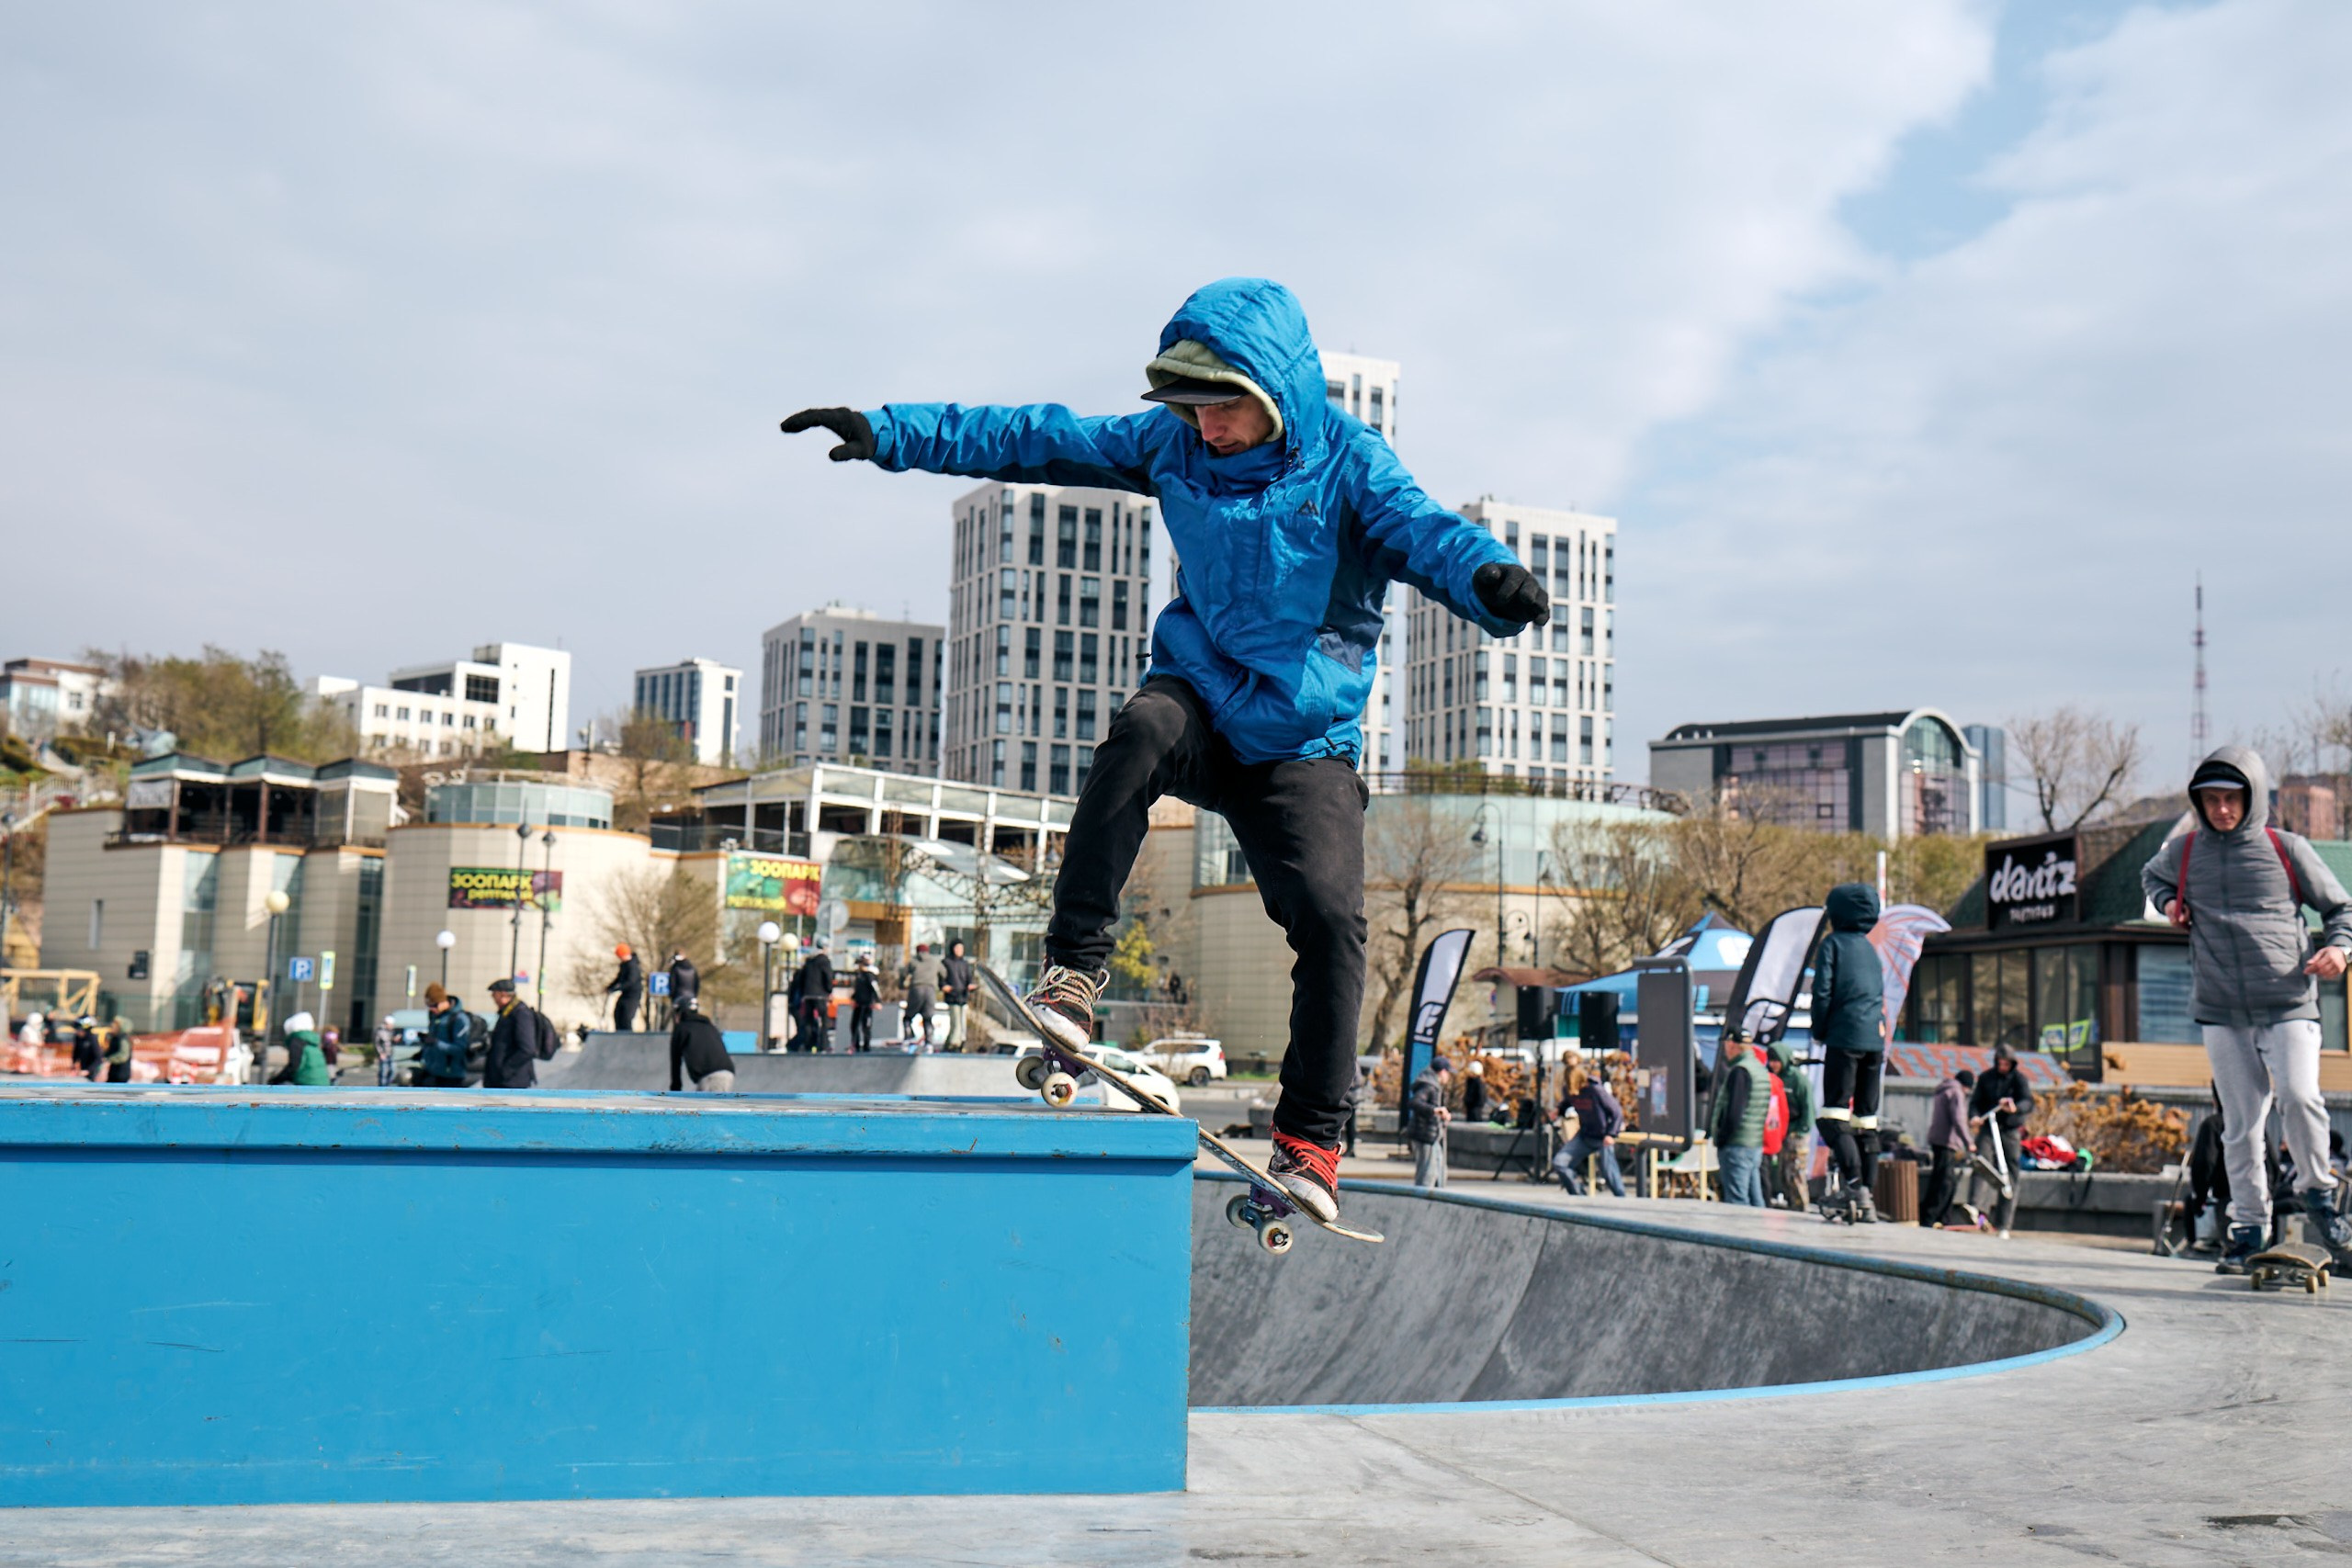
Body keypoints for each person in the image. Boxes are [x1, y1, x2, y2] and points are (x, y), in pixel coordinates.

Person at [783, 278, 1547, 1224]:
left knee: (1330, 919)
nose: (1205, 428)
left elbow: (1426, 532)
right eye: (1189, 408)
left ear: (1274, 395)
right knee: (1141, 728)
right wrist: (888, 432)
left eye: (1222, 408)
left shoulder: (1349, 464)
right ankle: (1074, 971)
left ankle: (1311, 1137)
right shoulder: (1169, 446)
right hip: (1200, 703)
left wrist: (1488, 577)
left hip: (1302, 744)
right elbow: (1034, 436)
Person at [2142, 745, 2352, 1274]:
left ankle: (2319, 1197)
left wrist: (2340, 949)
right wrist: (2170, 903)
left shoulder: (2287, 848)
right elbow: (2152, 877)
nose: (2221, 809)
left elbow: (2341, 907)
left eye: (2231, 799)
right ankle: (2248, 1228)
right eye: (2211, 800)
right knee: (2239, 1125)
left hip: (2288, 1001)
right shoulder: (2185, 852)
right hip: (2220, 1009)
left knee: (2300, 1097)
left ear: (2252, 797)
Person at [1812, 882, 1887, 1221]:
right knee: (1866, 1120)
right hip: (1874, 1041)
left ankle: (1855, 1187)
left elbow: (1822, 992)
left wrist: (1821, 1030)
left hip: (1845, 1037)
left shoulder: (1833, 944)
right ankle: (1867, 1192)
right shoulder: (1871, 950)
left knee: (1833, 1117)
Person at [1967, 1047, 2035, 1237]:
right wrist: (1974, 1116)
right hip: (1989, 1126)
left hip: (2010, 1129)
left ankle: (2003, 1224)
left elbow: (2028, 1102)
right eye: (2000, 1063)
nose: (2003, 1067)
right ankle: (1975, 1207)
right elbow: (1975, 1103)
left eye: (2006, 1064)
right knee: (1982, 1162)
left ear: (2012, 1064)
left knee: (2011, 1173)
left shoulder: (2019, 1080)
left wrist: (2015, 1108)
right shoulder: (1986, 1078)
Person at [1710, 1034, 1771, 1207]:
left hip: (1736, 1144)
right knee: (1755, 1198)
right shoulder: (1759, 1069)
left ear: (1732, 1045)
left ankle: (1740, 1226)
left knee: (1737, 1201)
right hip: (1754, 1143)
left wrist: (1721, 1138)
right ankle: (1761, 1225)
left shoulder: (1740, 1071)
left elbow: (1734, 1112)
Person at [1553, 1063, 1627, 1197]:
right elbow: (1567, 1102)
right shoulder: (1569, 1091)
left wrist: (1611, 1134)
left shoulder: (1595, 1090)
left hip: (1603, 1136)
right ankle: (1578, 1194)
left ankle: (1621, 1197)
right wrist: (1559, 1110)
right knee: (1560, 1163)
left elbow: (1616, 1112)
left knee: (1608, 1171)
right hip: (1585, 1135)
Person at [1921, 1068, 1975, 1228]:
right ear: (1966, 1086)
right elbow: (1958, 1120)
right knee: (1946, 1182)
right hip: (1947, 1142)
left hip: (1937, 1139)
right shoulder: (1956, 1093)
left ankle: (1942, 1217)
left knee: (1939, 1179)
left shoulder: (1944, 1089)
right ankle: (1932, 1217)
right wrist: (1969, 1142)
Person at [1766, 1041, 1815, 1212]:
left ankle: (1801, 1206)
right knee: (1782, 1173)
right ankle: (1790, 1203)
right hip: (1780, 1133)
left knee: (1796, 1173)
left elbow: (1808, 1109)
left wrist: (1801, 1131)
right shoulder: (1771, 1077)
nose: (1773, 1064)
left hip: (1797, 1135)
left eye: (1776, 1060)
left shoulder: (1798, 1080)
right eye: (1771, 1060)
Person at [482, 977, 555, 1089]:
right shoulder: (508, 1013)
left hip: (512, 1082)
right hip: (502, 1081)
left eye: (494, 994)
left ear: (503, 994)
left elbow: (527, 1049)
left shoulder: (521, 1014)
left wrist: (506, 1070)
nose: (493, 997)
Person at [1406, 1056, 1454, 1190]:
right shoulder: (1428, 1085)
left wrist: (1441, 1114)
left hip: (1432, 1135)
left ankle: (1437, 1194)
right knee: (1427, 1173)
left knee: (1439, 1169)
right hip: (1425, 1135)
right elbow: (1414, 1103)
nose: (1448, 1077)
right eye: (1448, 1073)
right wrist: (1434, 1110)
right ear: (1442, 1072)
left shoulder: (1433, 1085)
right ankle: (1423, 1196)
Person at [669, 1001, 736, 1093]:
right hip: (727, 1073)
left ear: (680, 1014)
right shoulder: (709, 1026)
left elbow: (675, 1061)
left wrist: (675, 1089)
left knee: (707, 1102)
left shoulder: (682, 1028)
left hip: (711, 1076)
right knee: (701, 1100)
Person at [418, 983, 472, 1087]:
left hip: (451, 1076)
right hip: (433, 1072)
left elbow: (460, 1049)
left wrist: (436, 1043)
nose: (432, 1009)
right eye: (429, 1006)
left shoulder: (459, 1019)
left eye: (434, 1005)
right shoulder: (436, 1017)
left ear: (443, 1002)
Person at [792, 944, 836, 1052]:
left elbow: (802, 979)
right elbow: (828, 977)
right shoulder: (824, 961)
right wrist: (829, 990)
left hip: (807, 995)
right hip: (820, 995)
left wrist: (803, 993)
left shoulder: (809, 962)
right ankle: (823, 1045)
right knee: (824, 1020)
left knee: (808, 1020)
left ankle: (808, 1043)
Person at [271, 1012, 332, 1087]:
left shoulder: (297, 1042)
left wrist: (276, 1079)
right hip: (323, 1084)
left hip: (307, 1084)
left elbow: (294, 1066)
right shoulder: (312, 1041)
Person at [902, 944, 944, 1045]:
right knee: (928, 1017)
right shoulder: (935, 961)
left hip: (916, 989)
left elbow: (903, 973)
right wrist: (941, 984)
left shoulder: (913, 961)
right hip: (930, 990)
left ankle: (908, 1036)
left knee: (908, 1017)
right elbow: (944, 973)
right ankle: (929, 1042)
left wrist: (902, 985)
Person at [941, 940, 976, 1051]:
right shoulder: (946, 962)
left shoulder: (965, 964)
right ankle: (954, 1044)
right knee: (956, 1022)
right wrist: (944, 986)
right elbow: (941, 977)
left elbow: (969, 978)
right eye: (957, 948)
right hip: (952, 995)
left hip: (963, 996)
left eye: (961, 948)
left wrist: (971, 985)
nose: (959, 950)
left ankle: (950, 1044)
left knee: (961, 1023)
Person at [607, 943, 645, 1031]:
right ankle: (619, 1033)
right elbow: (619, 978)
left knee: (626, 1018)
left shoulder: (633, 966)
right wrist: (611, 987)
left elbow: (630, 981)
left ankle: (628, 1035)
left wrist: (617, 988)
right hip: (625, 995)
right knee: (618, 1015)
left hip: (632, 996)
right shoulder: (624, 965)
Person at [849, 954, 880, 1053]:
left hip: (867, 1004)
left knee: (866, 1026)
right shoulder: (859, 976)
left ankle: (866, 1046)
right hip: (858, 1003)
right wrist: (853, 998)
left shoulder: (869, 975)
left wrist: (877, 1001)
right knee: (854, 1025)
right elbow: (858, 990)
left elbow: (875, 988)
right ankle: (856, 1045)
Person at [666, 950, 700, 1021]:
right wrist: (694, 996)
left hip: (678, 997)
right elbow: (697, 984)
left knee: (677, 1017)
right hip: (691, 997)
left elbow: (672, 984)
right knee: (692, 1016)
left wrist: (671, 996)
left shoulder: (675, 968)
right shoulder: (693, 969)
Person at [71, 1016, 104, 1081]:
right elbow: (76, 1051)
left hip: (91, 1071)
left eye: (79, 1029)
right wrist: (74, 1062)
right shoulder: (78, 1038)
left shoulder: (92, 1039)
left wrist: (88, 1071)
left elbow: (98, 1059)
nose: (77, 1032)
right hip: (83, 1069)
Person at [103, 1016, 134, 1084]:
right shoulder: (114, 1038)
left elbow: (123, 1055)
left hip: (121, 1074)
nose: (112, 1026)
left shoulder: (123, 1039)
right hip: (113, 1073)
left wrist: (109, 1059)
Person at [1460, 1060, 1490, 1124]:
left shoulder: (1478, 1082)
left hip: (1475, 1110)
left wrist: (1475, 1107)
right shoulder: (1470, 1081)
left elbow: (1481, 1097)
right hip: (1470, 1109)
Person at [373, 1014, 399, 1087]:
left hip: (390, 1054)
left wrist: (395, 1040)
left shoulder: (391, 1031)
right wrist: (381, 1053)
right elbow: (376, 1043)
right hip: (383, 1055)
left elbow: (391, 1042)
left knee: (393, 1071)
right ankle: (382, 1087)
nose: (392, 1026)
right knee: (383, 1072)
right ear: (387, 1024)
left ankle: (387, 1085)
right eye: (391, 1025)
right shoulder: (379, 1031)